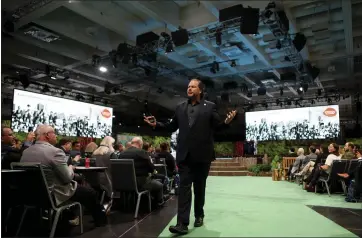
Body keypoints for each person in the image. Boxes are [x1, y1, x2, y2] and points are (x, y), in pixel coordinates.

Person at [144, 78, 236, 234]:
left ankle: (199, 215)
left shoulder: (210, 107)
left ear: (200, 90)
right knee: (184, 189)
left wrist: (227, 122)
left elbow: (217, 128)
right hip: (184, 156)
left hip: (203, 155)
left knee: (200, 188)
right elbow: (171, 126)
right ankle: (182, 224)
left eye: (193, 87)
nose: (189, 89)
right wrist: (155, 125)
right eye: (188, 86)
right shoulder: (180, 107)